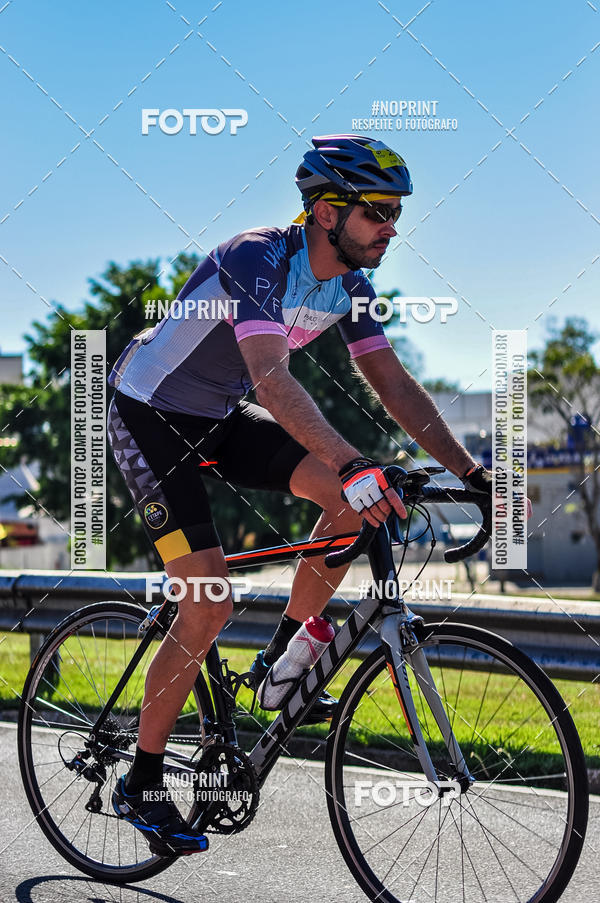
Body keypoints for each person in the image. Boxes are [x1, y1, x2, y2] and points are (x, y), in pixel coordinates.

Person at [106, 134, 491, 855]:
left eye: (397, 212)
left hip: (218, 414)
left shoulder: (352, 288)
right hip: (148, 412)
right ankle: (142, 779)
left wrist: (472, 475)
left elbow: (394, 385)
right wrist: (352, 461)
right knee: (208, 601)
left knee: (350, 501)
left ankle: (281, 660)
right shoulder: (255, 257)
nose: (391, 227)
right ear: (325, 211)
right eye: (377, 211)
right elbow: (271, 378)